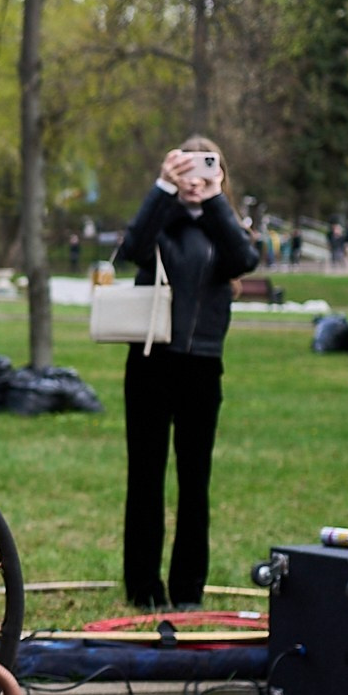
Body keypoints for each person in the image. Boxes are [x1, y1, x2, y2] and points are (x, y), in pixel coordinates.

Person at [112, 138, 258, 610]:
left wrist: (214, 198)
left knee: (195, 481)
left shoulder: (224, 227)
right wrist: (160, 188)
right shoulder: (161, 222)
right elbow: (131, 247)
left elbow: (244, 261)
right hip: (151, 363)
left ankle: (188, 589)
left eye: (206, 169)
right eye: (185, 169)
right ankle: (143, 587)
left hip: (202, 367)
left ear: (219, 173)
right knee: (146, 478)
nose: (194, 179)